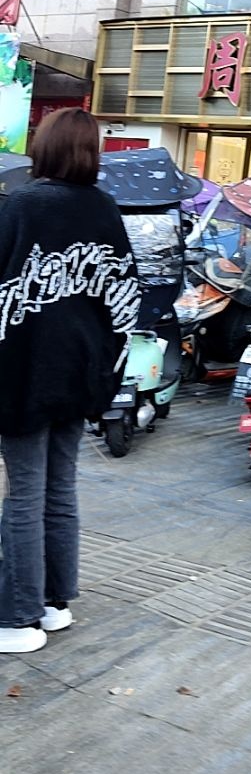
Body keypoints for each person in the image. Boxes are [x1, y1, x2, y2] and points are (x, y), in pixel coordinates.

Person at [0, 109, 140, 655]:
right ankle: (55, 604)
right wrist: (108, 374)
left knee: (25, 495)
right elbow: (124, 303)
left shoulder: (22, 207)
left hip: (23, 373)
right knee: (60, 489)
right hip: (82, 374)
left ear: (44, 148)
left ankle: (16, 617)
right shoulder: (104, 210)